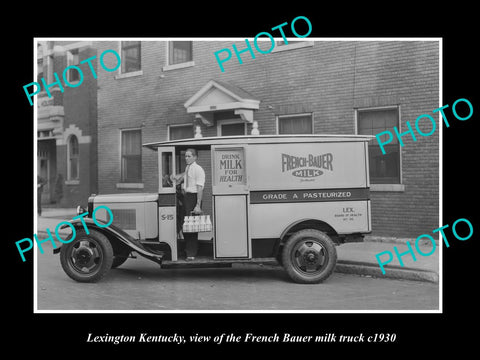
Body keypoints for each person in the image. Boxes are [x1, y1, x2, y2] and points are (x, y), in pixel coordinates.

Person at [171, 148, 205, 260]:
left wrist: (198, 205)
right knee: (185, 225)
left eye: (189, 156)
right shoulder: (188, 167)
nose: (186, 158)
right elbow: (184, 177)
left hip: (194, 198)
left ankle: (191, 254)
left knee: (192, 226)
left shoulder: (198, 169)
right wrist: (174, 178)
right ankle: (187, 250)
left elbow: (200, 188)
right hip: (187, 197)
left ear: (195, 157)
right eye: (185, 156)